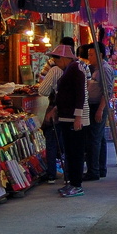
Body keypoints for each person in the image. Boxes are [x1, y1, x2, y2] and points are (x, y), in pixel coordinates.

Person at [49, 44, 90, 198]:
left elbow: (80, 94)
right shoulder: (70, 69)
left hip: (74, 118)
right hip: (67, 116)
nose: (54, 61)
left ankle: (76, 184)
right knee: (70, 152)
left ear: (65, 58)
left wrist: (78, 117)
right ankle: (72, 182)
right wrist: (56, 108)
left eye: (56, 58)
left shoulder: (76, 69)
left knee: (76, 152)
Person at [37, 37, 75, 183]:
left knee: (52, 140)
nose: (55, 61)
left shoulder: (54, 70)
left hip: (57, 109)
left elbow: (43, 91)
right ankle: (67, 174)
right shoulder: (78, 68)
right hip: (71, 112)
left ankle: (52, 173)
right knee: (66, 142)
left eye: (56, 58)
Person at [84, 42, 114, 181]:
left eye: (91, 54)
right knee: (99, 139)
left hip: (98, 107)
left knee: (94, 139)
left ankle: (93, 171)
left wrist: (100, 110)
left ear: (99, 55)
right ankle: (100, 169)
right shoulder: (94, 68)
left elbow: (107, 91)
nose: (88, 57)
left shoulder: (104, 69)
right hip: (94, 106)